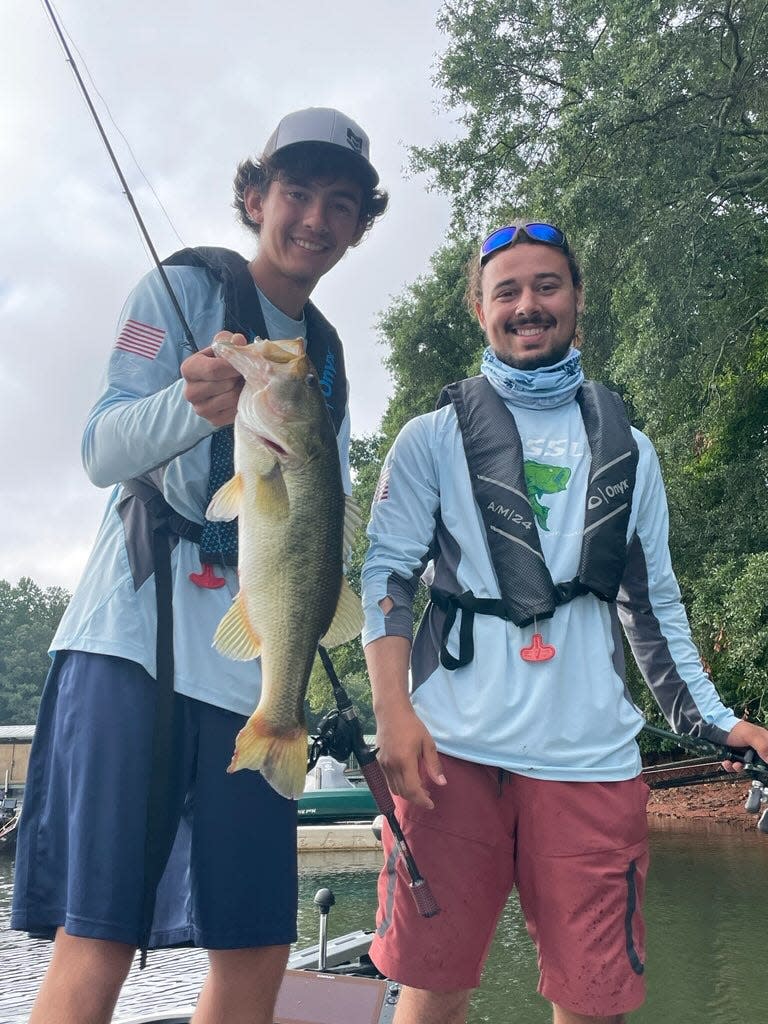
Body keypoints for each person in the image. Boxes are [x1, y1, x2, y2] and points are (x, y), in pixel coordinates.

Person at [12, 106, 388, 1024]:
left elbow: (324, 515)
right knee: (96, 932)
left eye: (342, 204)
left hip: (256, 678)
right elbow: (103, 447)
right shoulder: (177, 288)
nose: (315, 219)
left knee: (258, 945)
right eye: (297, 192)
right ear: (255, 196)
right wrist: (195, 408)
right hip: (129, 647)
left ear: (360, 226)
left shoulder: (326, 356)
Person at [360, 221, 768, 1024]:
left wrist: (721, 724)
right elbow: (387, 577)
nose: (527, 305)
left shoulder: (634, 451)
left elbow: (654, 611)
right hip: (449, 756)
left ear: (578, 299)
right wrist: (392, 712)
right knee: (431, 989)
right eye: (506, 291)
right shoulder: (428, 439)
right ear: (480, 310)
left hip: (589, 758)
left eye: (546, 285)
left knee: (595, 999)